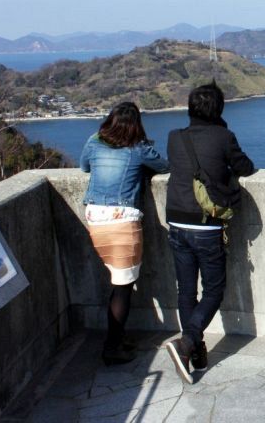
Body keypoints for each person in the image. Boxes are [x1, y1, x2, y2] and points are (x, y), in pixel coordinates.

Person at [164, 81, 255, 384]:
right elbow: (244, 167)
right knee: (214, 289)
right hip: (205, 224)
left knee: (186, 290)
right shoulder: (224, 136)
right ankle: (187, 342)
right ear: (219, 109)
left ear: (190, 108)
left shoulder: (174, 138)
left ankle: (196, 354)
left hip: (176, 221)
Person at [80, 101, 169, 365]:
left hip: (95, 218)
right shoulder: (138, 148)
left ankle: (117, 338)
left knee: (119, 283)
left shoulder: (94, 141)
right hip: (121, 221)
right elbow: (164, 166)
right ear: (136, 124)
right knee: (122, 288)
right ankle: (112, 346)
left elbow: (85, 167)